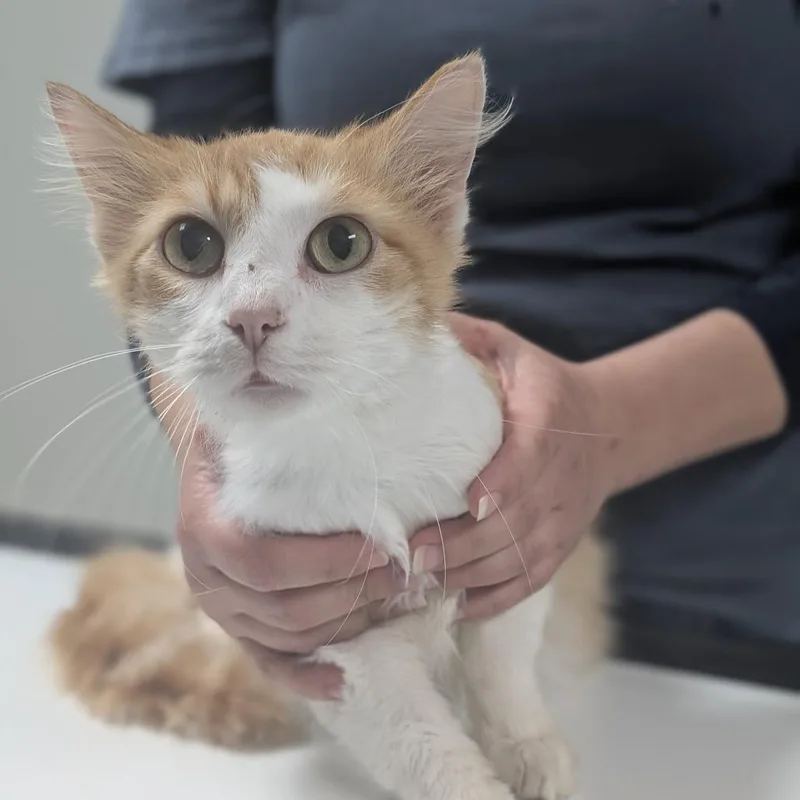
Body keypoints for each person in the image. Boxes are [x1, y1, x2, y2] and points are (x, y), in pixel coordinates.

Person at [108, 0, 800, 697]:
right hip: (335, 576)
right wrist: (221, 480)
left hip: (738, 609)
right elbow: (169, 227)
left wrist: (604, 426)